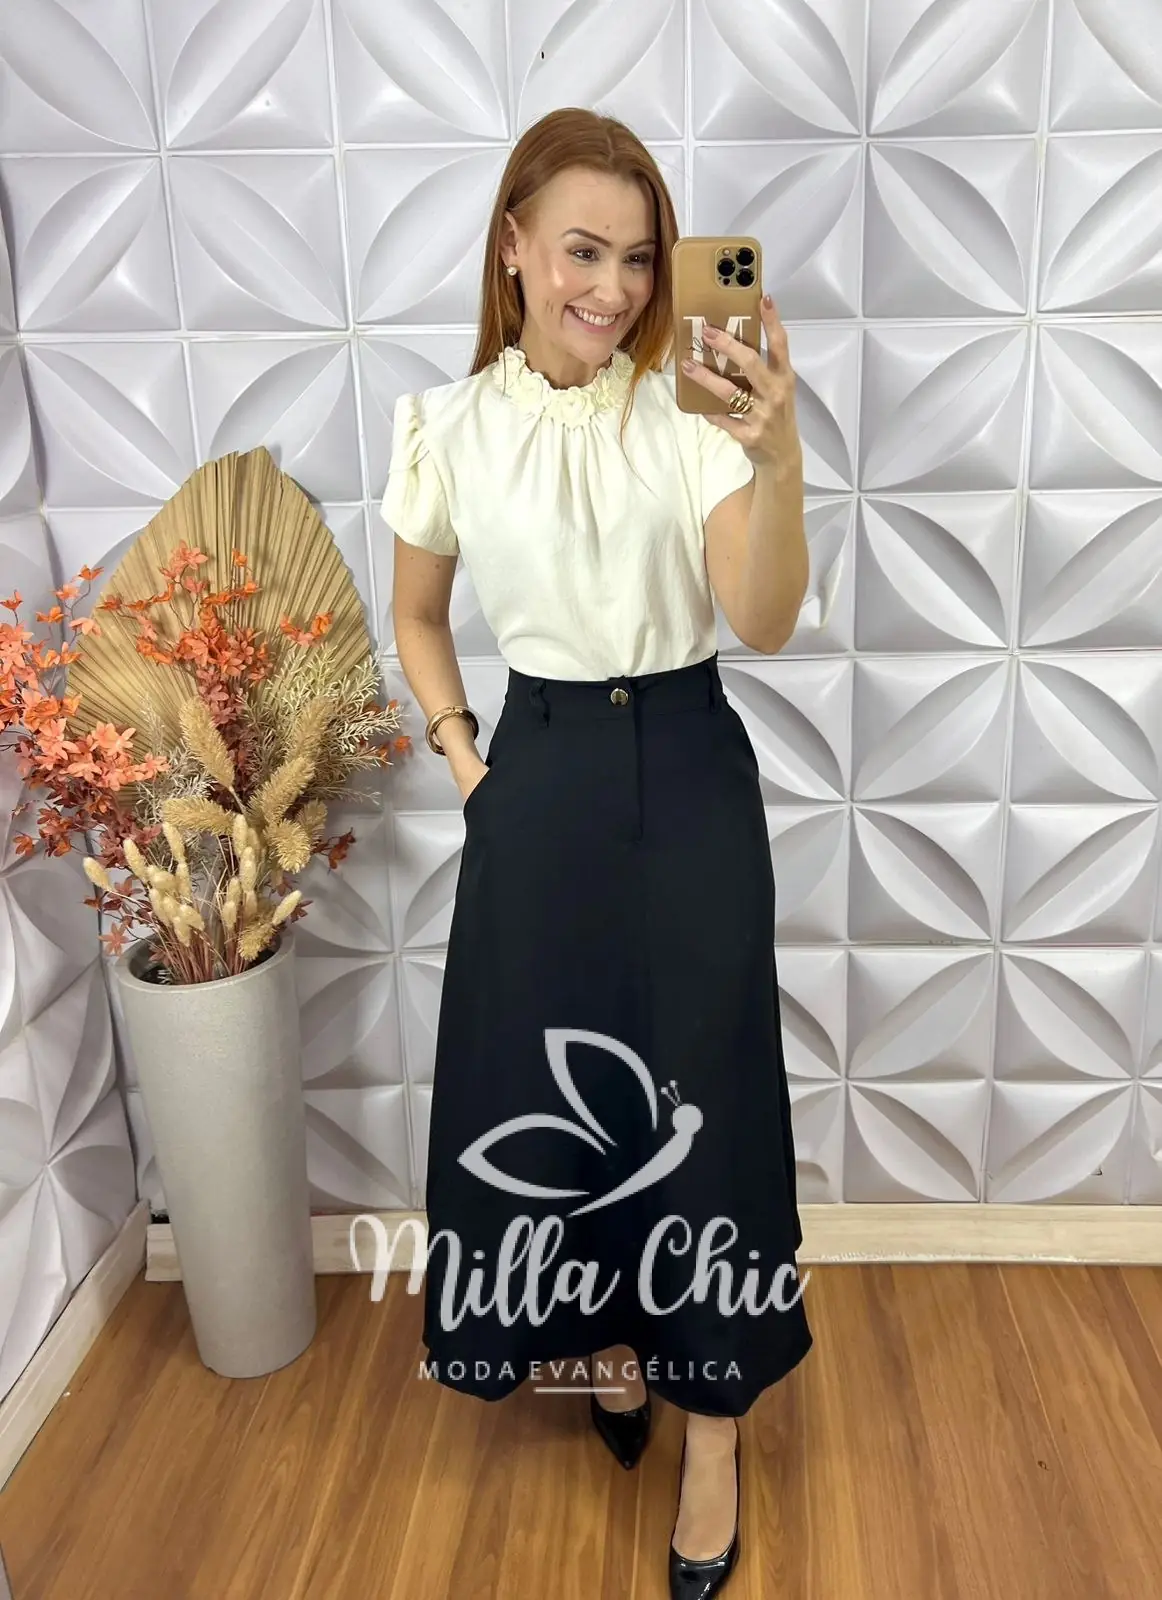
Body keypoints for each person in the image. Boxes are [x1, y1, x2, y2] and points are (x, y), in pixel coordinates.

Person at [383, 106, 811, 1599]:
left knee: (707, 1095)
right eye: (583, 251)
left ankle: (715, 1432)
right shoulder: (447, 425)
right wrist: (466, 760)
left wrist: (777, 455)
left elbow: (762, 620)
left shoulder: (689, 411)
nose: (616, 289)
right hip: (540, 771)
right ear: (512, 245)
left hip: (688, 768)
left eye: (640, 258)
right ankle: (611, 1342)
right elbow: (418, 614)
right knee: (555, 1091)